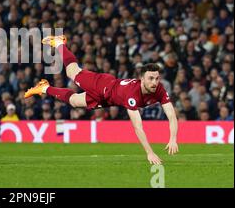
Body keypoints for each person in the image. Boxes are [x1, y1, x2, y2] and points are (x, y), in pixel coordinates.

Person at [24, 35, 179, 165]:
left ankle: (44, 88)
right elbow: (138, 127)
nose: (154, 82)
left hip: (109, 99)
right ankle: (59, 43)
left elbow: (172, 115)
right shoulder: (133, 94)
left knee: (74, 101)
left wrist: (173, 139)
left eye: (157, 78)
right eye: (150, 78)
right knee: (72, 72)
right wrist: (150, 153)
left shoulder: (159, 90)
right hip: (103, 85)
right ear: (142, 79)